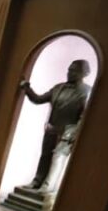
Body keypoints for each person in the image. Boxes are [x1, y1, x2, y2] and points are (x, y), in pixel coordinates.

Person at [19, 59, 91, 189]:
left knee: (58, 159)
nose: (69, 72)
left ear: (84, 73)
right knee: (45, 156)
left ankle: (47, 187)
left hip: (67, 133)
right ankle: (37, 181)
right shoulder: (58, 87)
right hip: (51, 129)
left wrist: (74, 133)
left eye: (74, 70)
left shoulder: (87, 91)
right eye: (69, 70)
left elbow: (85, 116)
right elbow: (38, 99)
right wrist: (26, 87)